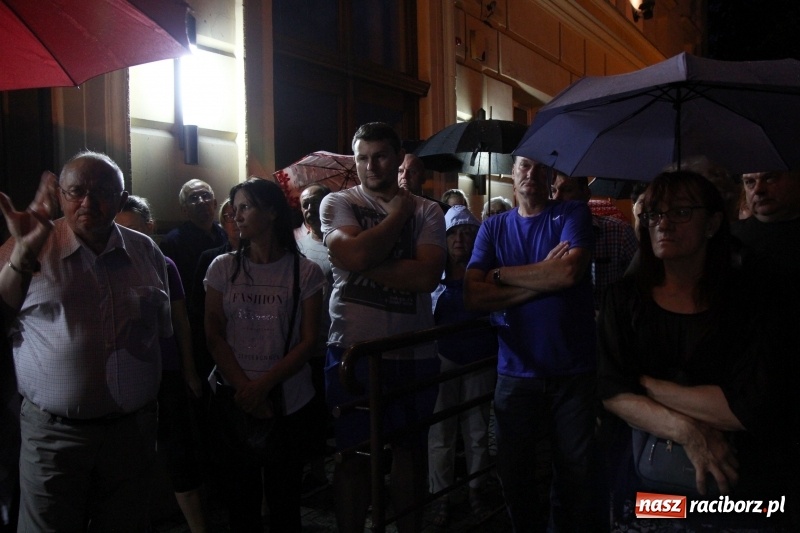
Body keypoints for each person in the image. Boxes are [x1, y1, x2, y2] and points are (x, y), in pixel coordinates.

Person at [597, 170, 798, 529]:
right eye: (655, 214)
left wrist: (646, 386)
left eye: (681, 212)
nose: (664, 224)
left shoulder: (750, 298)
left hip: (739, 487)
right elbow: (609, 391)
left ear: (713, 223)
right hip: (649, 484)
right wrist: (687, 431)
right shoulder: (624, 298)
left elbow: (749, 407)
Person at [0, 151, 172, 531]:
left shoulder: (146, 251)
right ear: (60, 195)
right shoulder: (24, 248)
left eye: (103, 192)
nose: (88, 203)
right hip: (54, 437)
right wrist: (23, 254)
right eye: (76, 191)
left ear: (122, 199)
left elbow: (161, 333)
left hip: (131, 434)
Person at [320, 122, 446, 533]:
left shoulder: (429, 210)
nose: (370, 166)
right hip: (352, 351)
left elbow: (426, 277)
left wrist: (360, 258)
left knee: (410, 452)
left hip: (413, 352)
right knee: (352, 456)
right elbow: (354, 257)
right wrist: (397, 217)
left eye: (379, 157)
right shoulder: (337, 202)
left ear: (397, 159)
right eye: (362, 158)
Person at [464, 156, 597, 532]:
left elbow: (568, 271)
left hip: (572, 371)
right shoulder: (493, 226)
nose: (532, 174)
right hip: (515, 371)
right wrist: (542, 280)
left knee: (574, 474)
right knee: (513, 472)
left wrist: (500, 275)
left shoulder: (572, 213)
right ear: (512, 173)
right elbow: (473, 295)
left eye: (540, 167)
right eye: (524, 166)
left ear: (551, 175)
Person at [204, 178, 325, 532]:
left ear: (271, 212)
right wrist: (246, 389)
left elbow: (308, 341)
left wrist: (262, 387)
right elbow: (214, 333)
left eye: (245, 207)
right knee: (241, 503)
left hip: (286, 401)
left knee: (284, 500)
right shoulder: (223, 268)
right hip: (235, 400)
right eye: (234, 209)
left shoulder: (305, 271)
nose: (236, 216)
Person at [115, 196, 208, 533]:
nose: (125, 237)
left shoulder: (164, 264)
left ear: (150, 227)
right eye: (118, 230)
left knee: (179, 453)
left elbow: (181, 321)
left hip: (165, 371)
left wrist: (189, 370)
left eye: (133, 229)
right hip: (126, 374)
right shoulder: (109, 264)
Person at [427, 205, 497, 527]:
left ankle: (476, 490)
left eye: (466, 233)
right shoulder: (433, 278)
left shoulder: (487, 276)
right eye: (452, 233)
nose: (459, 239)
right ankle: (440, 495)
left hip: (479, 359)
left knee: (477, 430)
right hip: (442, 360)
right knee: (441, 432)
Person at [552, 173, 638, 310]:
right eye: (553, 190)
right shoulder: (544, 235)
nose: (556, 197)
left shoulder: (619, 232)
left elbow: (642, 284)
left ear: (586, 194)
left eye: (567, 190)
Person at [296, 184, 333, 497]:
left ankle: (326, 470)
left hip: (332, 341)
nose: (310, 209)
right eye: (305, 204)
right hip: (301, 344)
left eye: (316, 202)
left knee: (327, 410)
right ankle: (313, 471)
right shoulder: (295, 243)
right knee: (306, 413)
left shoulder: (340, 241)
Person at [189, 198, 240, 382]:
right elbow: (197, 307)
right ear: (223, 223)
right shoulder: (211, 259)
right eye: (229, 216)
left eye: (240, 213)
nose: (236, 220)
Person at [160, 179, 228, 296]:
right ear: (184, 210)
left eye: (205, 196)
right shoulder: (172, 242)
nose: (201, 201)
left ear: (215, 203)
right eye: (193, 198)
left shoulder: (226, 233)